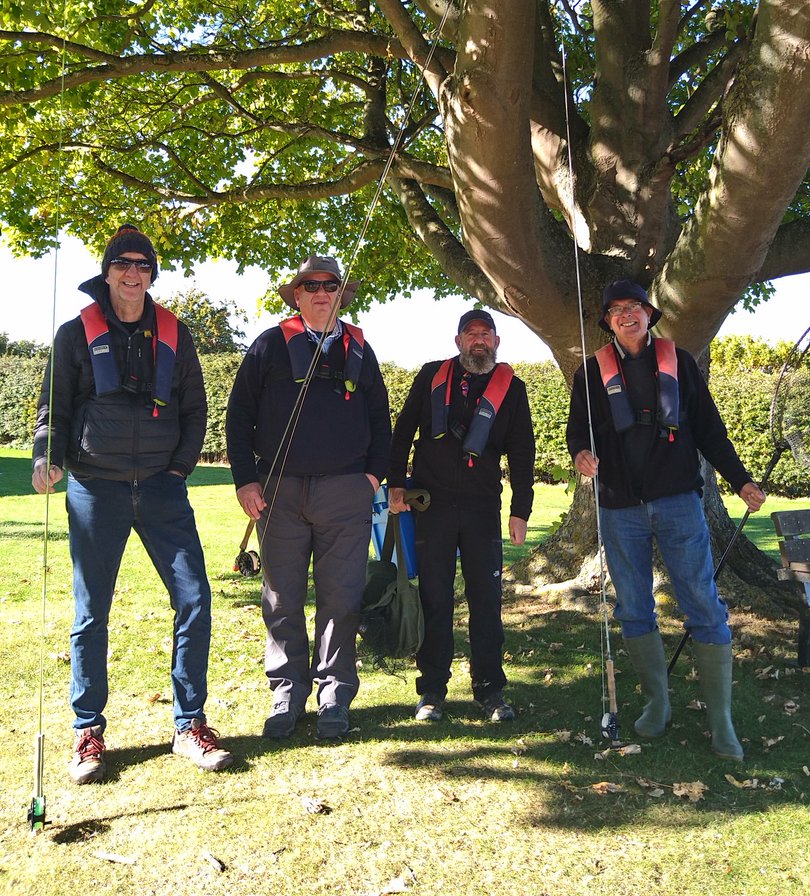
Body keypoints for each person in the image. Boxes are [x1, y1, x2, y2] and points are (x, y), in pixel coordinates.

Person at [32, 225, 233, 784]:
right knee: (91, 613)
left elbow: (196, 406)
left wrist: (180, 466)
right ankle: (87, 732)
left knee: (194, 599)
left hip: (164, 490)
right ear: (108, 271)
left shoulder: (176, 334)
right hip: (96, 487)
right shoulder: (75, 335)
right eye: (123, 263)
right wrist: (43, 457)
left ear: (151, 275)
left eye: (143, 265)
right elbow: (54, 408)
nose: (132, 272)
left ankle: (190, 724)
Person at [566, 280, 766, 761]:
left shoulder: (681, 362)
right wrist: (581, 455)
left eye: (633, 307)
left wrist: (741, 481)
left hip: (678, 502)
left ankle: (722, 723)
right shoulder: (589, 373)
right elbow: (578, 430)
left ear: (649, 314)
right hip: (619, 507)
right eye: (616, 310)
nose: (625, 315)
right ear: (608, 321)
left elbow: (711, 431)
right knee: (633, 607)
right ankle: (658, 705)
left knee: (702, 602)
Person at [226, 255, 391, 740]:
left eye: (330, 285)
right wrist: (245, 480)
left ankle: (335, 695)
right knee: (281, 597)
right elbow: (239, 417)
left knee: (341, 597)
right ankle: (286, 693)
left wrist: (373, 478)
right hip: (280, 489)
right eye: (310, 285)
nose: (321, 293)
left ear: (341, 294)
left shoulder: (361, 350)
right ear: (296, 295)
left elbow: (381, 421)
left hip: (346, 492)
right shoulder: (269, 346)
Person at [387, 309, 535, 723]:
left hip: (482, 509)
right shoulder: (431, 376)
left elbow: (523, 452)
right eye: (471, 335)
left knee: (486, 601)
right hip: (430, 508)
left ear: (497, 342)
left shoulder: (513, 389)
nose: (479, 341)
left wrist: (520, 509)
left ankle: (490, 691)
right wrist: (395, 482)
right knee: (435, 599)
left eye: (486, 334)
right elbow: (402, 432)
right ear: (458, 342)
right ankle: (431, 691)